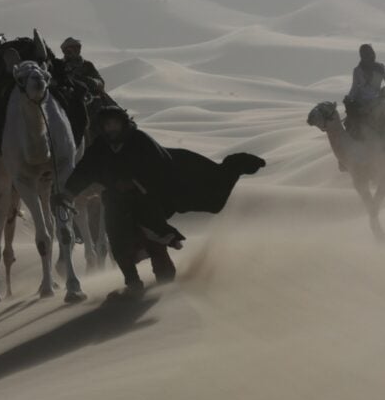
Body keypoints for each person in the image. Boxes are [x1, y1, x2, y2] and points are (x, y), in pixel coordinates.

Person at [64, 106, 265, 297]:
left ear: (123, 123)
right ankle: (133, 283)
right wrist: (67, 193)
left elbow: (160, 166)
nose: (111, 129)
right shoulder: (100, 147)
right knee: (117, 241)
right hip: (116, 202)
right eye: (107, 125)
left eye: (114, 124)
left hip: (147, 199)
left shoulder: (139, 140)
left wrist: (135, 182)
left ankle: (166, 285)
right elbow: (83, 171)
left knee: (153, 236)